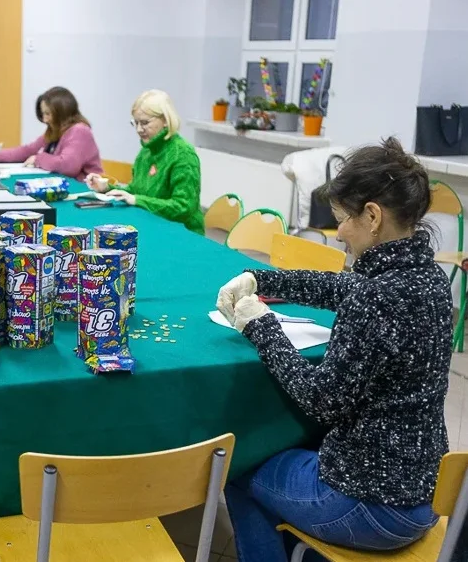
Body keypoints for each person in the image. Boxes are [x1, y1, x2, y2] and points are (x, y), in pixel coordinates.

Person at [215, 137, 450, 561]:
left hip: (373, 505)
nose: (338, 232)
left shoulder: (376, 297)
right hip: (426, 493)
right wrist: (263, 279)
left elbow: (320, 399)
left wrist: (260, 325)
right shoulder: (429, 278)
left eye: (342, 220)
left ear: (373, 216)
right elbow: (341, 286)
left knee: (241, 464)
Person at [85, 89, 204, 234]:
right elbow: (134, 192)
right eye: (135, 123)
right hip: (151, 225)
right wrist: (106, 188)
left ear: (165, 120)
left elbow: (184, 207)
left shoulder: (183, 154)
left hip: (182, 234)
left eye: (145, 123)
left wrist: (137, 200)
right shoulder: (146, 152)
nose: (139, 129)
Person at [0, 86, 103, 181]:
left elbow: (67, 166)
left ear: (62, 112)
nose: (45, 119)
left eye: (48, 114)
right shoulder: (55, 130)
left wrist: (38, 158)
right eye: (43, 114)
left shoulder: (79, 130)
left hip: (84, 189)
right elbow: (28, 150)